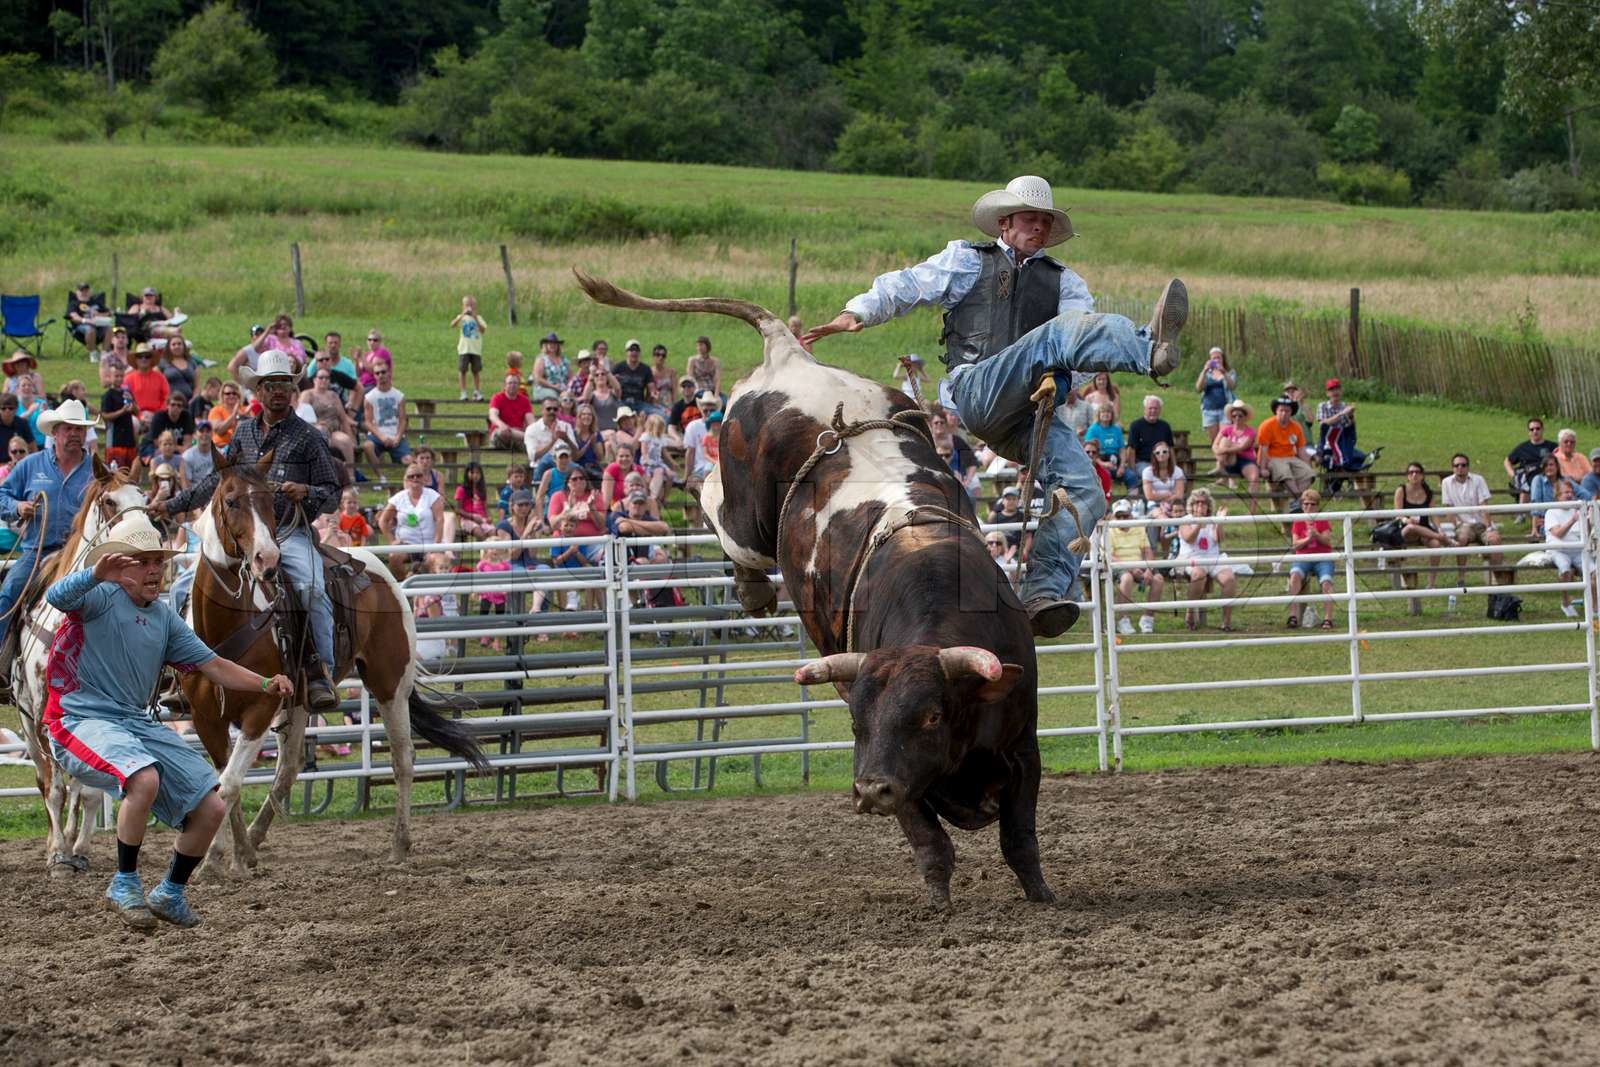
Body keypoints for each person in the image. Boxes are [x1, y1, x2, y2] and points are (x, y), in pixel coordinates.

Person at [802, 174, 1186, 635]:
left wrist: (1060, 385)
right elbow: (909, 284)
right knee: (1059, 335)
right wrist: (859, 311)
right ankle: (1150, 351)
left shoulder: (1065, 282)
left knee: (1085, 487)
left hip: (1027, 412)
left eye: (1045, 221)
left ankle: (1043, 593)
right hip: (977, 389)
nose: (1039, 227)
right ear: (1004, 223)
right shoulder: (966, 260)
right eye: (1030, 218)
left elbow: (1083, 352)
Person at [44, 511, 293, 928]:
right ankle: (124, 883)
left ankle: (170, 891)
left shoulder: (163, 619)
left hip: (130, 722)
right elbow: (57, 597)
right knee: (144, 778)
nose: (154, 570)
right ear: (119, 566)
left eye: (158, 562)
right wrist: (92, 574)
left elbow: (213, 664)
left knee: (211, 804)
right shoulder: (100, 595)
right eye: (142, 561)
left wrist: (264, 683)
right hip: (78, 718)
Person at [159, 351, 344, 712]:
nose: (277, 391)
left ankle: (320, 670)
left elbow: (333, 494)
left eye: (284, 385)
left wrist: (305, 491)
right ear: (258, 390)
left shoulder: (308, 438)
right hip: (243, 535)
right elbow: (219, 479)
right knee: (183, 587)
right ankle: (180, 673)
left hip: (288, 531)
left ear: (293, 391)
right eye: (270, 385)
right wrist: (171, 505)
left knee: (310, 587)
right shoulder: (243, 430)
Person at [0, 398, 102, 642]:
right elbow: (2, 494)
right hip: (37, 553)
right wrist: (18, 506)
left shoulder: (97, 470)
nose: (75, 433)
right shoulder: (30, 464)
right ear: (55, 431)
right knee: (9, 594)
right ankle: (2, 657)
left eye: (79, 429)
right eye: (69, 428)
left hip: (81, 554)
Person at [1440, 453, 1503, 589]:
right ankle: (1461, 578)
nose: (1460, 468)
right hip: (1462, 525)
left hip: (1481, 524)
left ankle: (1498, 579)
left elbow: (1484, 505)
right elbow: (1448, 509)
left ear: (1468, 467)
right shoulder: (1446, 483)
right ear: (1453, 468)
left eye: (1463, 465)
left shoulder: (1478, 480)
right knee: (1461, 538)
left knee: (1495, 540)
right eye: (1457, 465)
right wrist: (1454, 528)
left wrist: (1489, 528)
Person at [1177, 488, 1236, 631]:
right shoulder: (1185, 520)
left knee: (1229, 579)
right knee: (1199, 575)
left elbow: (1219, 539)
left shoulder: (1212, 520)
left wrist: (1219, 522)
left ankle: (1226, 622)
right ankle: (1190, 614)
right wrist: (1199, 523)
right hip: (1192, 558)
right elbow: (1189, 539)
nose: (1200, 506)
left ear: (1208, 505)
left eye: (1203, 503)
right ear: (1191, 505)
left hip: (1213, 558)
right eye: (1197, 503)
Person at [1107, 497, 1165, 635]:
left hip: (1139, 564)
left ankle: (1148, 619)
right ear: (1114, 517)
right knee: (1126, 578)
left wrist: (1149, 570)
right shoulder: (1109, 529)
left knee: (1158, 579)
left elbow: (1147, 551)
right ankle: (1122, 620)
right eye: (1118, 516)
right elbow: (1110, 556)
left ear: (1131, 515)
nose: (1121, 519)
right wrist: (1131, 568)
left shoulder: (1138, 527)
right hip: (1119, 565)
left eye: (1125, 516)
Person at [1286, 489, 1337, 630]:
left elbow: (1327, 542)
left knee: (1326, 581)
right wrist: (1309, 538)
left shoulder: (1323, 519)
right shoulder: (1298, 521)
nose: (1309, 507)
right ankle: (1293, 616)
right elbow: (1295, 544)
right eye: (1306, 504)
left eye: (1312, 504)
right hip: (1303, 557)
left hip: (1322, 558)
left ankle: (1328, 619)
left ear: (1317, 506)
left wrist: (1316, 535)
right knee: (1294, 576)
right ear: (1302, 505)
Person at [1394, 462, 1448, 589]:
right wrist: (1407, 520)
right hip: (1405, 528)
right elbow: (1398, 514)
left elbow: (1433, 514)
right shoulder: (1401, 490)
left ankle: (1431, 582)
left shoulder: (1428, 492)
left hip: (1424, 530)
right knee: (1412, 528)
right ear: (1407, 476)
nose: (1414, 475)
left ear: (1422, 475)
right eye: (1411, 472)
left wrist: (1439, 527)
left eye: (1417, 472)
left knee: (1436, 545)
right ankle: (1443, 538)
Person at [1256, 395, 1315, 498]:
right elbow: (1263, 449)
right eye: (1281, 410)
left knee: (1309, 474)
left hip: (1291, 457)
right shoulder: (1267, 425)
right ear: (1276, 411)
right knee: (1285, 473)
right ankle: (1299, 500)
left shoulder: (1296, 427)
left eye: (1287, 411)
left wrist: (1308, 465)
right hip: (1272, 458)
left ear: (1291, 412)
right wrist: (1262, 468)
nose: (1284, 413)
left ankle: (1295, 500)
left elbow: (1301, 450)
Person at [379, 463, 444, 552]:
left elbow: (440, 520)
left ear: (424, 478)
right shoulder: (398, 498)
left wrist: (436, 545)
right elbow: (383, 520)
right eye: (411, 476)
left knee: (436, 560)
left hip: (429, 545)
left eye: (418, 475)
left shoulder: (433, 495)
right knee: (395, 557)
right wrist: (392, 541)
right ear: (406, 479)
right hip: (405, 545)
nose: (415, 478)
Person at [298, 367, 357, 466]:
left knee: (346, 441)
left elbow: (343, 419)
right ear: (314, 379)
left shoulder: (334, 396)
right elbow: (301, 416)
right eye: (321, 377)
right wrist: (317, 425)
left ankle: (350, 475)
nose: (324, 380)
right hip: (315, 432)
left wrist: (351, 438)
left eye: (327, 378)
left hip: (333, 431)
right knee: (322, 433)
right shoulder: (307, 395)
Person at [1543, 479, 1584, 618]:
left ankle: (1595, 607)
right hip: (1558, 549)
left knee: (1594, 571)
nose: (1569, 495)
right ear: (1558, 495)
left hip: (1578, 549)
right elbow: (1558, 534)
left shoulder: (1577, 510)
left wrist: (1588, 520)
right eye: (1566, 492)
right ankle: (1566, 603)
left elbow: (1585, 534)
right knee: (1565, 570)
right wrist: (1572, 521)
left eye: (1571, 492)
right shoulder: (1551, 512)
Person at [1315, 378, 1375, 474]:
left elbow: (1349, 429)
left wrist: (1351, 417)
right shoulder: (1323, 406)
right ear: (1327, 393)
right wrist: (1342, 414)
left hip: (1343, 442)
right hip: (1327, 443)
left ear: (1341, 391)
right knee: (1350, 459)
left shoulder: (1345, 406)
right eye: (1331, 389)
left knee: (1360, 456)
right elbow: (1323, 424)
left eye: (1337, 389)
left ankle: (1348, 474)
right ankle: (1344, 470)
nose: (1335, 392)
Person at [362, 363, 410, 477]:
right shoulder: (369, 397)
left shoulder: (399, 395)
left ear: (389, 373)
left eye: (383, 372)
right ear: (374, 376)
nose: (381, 375)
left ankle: (410, 480)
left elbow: (403, 420)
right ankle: (381, 477)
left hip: (395, 435)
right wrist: (382, 438)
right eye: (377, 373)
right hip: (377, 436)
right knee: (367, 446)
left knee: (409, 460)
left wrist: (398, 437)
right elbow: (368, 422)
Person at [1504, 418, 1555, 504]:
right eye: (1532, 429)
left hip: (1547, 474)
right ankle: (1522, 513)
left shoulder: (1552, 446)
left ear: (1542, 430)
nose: (1535, 431)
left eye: (1537, 428)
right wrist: (1513, 476)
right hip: (1527, 477)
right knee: (1526, 484)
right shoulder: (1522, 448)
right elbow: (1507, 461)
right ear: (1529, 432)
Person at [1084, 405, 1134, 490]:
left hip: (1115, 460)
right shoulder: (1093, 429)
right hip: (1099, 461)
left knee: (1131, 476)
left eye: (1108, 412)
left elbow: (1122, 449)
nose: (1106, 414)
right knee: (1106, 475)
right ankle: (1107, 498)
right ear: (1098, 415)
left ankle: (1131, 501)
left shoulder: (1116, 430)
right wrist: (1103, 464)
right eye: (1103, 412)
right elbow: (1089, 451)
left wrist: (1122, 466)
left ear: (1112, 415)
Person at [1194, 347, 1235, 449]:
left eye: (1218, 358)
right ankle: (1219, 461)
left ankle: (1224, 462)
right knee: (1214, 441)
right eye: (1214, 358)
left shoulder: (1230, 372)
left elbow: (1232, 386)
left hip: (1225, 410)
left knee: (1225, 439)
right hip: (1209, 410)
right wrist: (1204, 371)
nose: (1216, 360)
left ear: (1223, 359)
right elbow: (1198, 388)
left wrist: (1224, 373)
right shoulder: (1206, 374)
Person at [100, 366, 140, 469]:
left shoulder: (126, 393)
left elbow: (136, 412)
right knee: (115, 472)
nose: (119, 378)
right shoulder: (108, 395)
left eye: (121, 376)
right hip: (114, 441)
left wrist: (132, 402)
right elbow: (105, 416)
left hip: (129, 440)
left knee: (129, 471)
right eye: (116, 376)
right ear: (110, 377)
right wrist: (122, 411)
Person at [1127, 394, 1174, 478]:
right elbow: (1131, 450)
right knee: (1152, 474)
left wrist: (1173, 466)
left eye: (1156, 408)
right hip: (1142, 463)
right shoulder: (1136, 426)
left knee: (1179, 476)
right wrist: (1132, 470)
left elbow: (1170, 448)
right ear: (1144, 409)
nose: (1153, 411)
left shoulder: (1165, 426)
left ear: (1160, 410)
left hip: (1163, 462)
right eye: (1150, 408)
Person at [525, 396, 575, 476]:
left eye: (555, 409)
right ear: (542, 410)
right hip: (541, 468)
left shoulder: (566, 426)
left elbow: (575, 453)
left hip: (564, 466)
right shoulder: (532, 429)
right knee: (547, 459)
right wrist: (552, 442)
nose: (552, 411)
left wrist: (567, 439)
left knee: (579, 469)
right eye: (548, 409)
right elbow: (532, 456)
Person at [452, 295, 487, 401]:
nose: (469, 307)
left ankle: (477, 392)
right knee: (462, 370)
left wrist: (475, 318)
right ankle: (463, 392)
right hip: (464, 349)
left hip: (475, 349)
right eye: (467, 305)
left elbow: (483, 330)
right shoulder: (461, 317)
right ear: (463, 306)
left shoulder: (479, 318)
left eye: (471, 305)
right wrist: (462, 315)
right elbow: (452, 325)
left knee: (476, 371)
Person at [451, 461, 497, 540]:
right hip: (467, 519)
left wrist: (489, 517)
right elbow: (458, 510)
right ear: (467, 474)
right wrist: (472, 517)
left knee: (493, 532)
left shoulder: (481, 490)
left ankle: (489, 551)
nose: (475, 475)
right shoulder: (461, 489)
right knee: (479, 533)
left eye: (477, 473)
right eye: (472, 472)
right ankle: (486, 550)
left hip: (482, 519)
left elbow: (485, 508)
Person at [125, 344, 171, 422]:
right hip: (135, 416)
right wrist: (139, 414)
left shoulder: (160, 378)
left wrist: (157, 414)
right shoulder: (128, 379)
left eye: (147, 356)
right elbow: (126, 399)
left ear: (151, 359)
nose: (144, 359)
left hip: (157, 416)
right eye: (140, 356)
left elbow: (166, 398)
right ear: (135, 360)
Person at [488, 373, 534, 448]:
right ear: (504, 386)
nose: (512, 385)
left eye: (515, 383)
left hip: (518, 433)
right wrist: (502, 425)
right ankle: (527, 437)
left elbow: (530, 420)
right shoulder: (497, 398)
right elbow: (493, 416)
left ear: (519, 386)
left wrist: (535, 430)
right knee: (502, 432)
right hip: (501, 431)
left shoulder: (524, 400)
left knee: (533, 441)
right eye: (510, 383)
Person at [143, 391, 197, 455]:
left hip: (178, 448)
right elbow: (156, 441)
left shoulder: (187, 416)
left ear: (182, 408)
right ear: (167, 405)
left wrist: (183, 450)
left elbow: (188, 441)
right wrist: (177, 448)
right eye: (173, 404)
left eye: (179, 405)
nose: (176, 407)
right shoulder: (159, 417)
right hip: (155, 446)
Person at [66, 282, 110, 353]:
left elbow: (109, 313)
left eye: (86, 290)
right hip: (81, 327)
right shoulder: (74, 303)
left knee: (109, 329)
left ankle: (104, 354)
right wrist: (86, 321)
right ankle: (93, 354)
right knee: (90, 329)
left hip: (98, 325)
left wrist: (99, 314)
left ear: (89, 292)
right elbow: (74, 316)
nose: (84, 293)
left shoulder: (96, 302)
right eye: (82, 291)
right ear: (77, 292)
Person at [613, 339, 655, 413]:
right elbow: (609, 383)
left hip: (639, 403)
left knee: (659, 414)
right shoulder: (618, 367)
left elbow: (651, 387)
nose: (634, 352)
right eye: (631, 350)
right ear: (626, 352)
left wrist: (653, 394)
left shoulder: (645, 369)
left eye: (637, 350)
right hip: (622, 402)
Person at [531, 332, 569, 401]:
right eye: (550, 343)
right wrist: (553, 386)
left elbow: (571, 376)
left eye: (555, 343)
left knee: (570, 396)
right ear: (546, 345)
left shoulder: (564, 359)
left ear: (558, 345)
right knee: (555, 397)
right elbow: (538, 379)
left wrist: (569, 386)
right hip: (545, 388)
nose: (552, 345)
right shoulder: (541, 359)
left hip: (562, 388)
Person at [159, 336, 198, 400]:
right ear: (169, 347)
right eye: (173, 344)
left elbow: (197, 386)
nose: (177, 346)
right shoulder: (162, 363)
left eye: (179, 344)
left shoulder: (192, 362)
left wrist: (194, 400)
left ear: (184, 346)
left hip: (189, 401)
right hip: (170, 403)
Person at [207, 381, 245, 449]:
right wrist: (234, 413)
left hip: (242, 448)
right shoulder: (216, 410)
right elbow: (219, 431)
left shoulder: (245, 410)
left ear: (238, 395)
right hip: (221, 447)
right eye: (227, 393)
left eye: (234, 393)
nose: (231, 396)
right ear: (222, 395)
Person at [687, 335, 721, 399]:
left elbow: (717, 380)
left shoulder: (715, 361)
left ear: (707, 346)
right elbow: (690, 378)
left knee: (724, 403)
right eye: (697, 346)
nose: (699, 348)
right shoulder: (692, 360)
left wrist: (716, 394)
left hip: (712, 390)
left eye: (701, 345)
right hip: (699, 390)